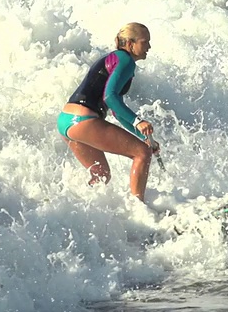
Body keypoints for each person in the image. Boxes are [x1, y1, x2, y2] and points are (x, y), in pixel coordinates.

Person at [57, 22, 159, 202]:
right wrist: (138, 121)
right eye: (145, 42)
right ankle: (140, 208)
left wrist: (142, 135)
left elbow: (116, 111)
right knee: (142, 154)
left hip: (67, 121)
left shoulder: (115, 58)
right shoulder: (126, 60)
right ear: (130, 43)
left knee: (101, 175)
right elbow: (110, 97)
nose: (149, 47)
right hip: (83, 119)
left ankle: (83, 210)